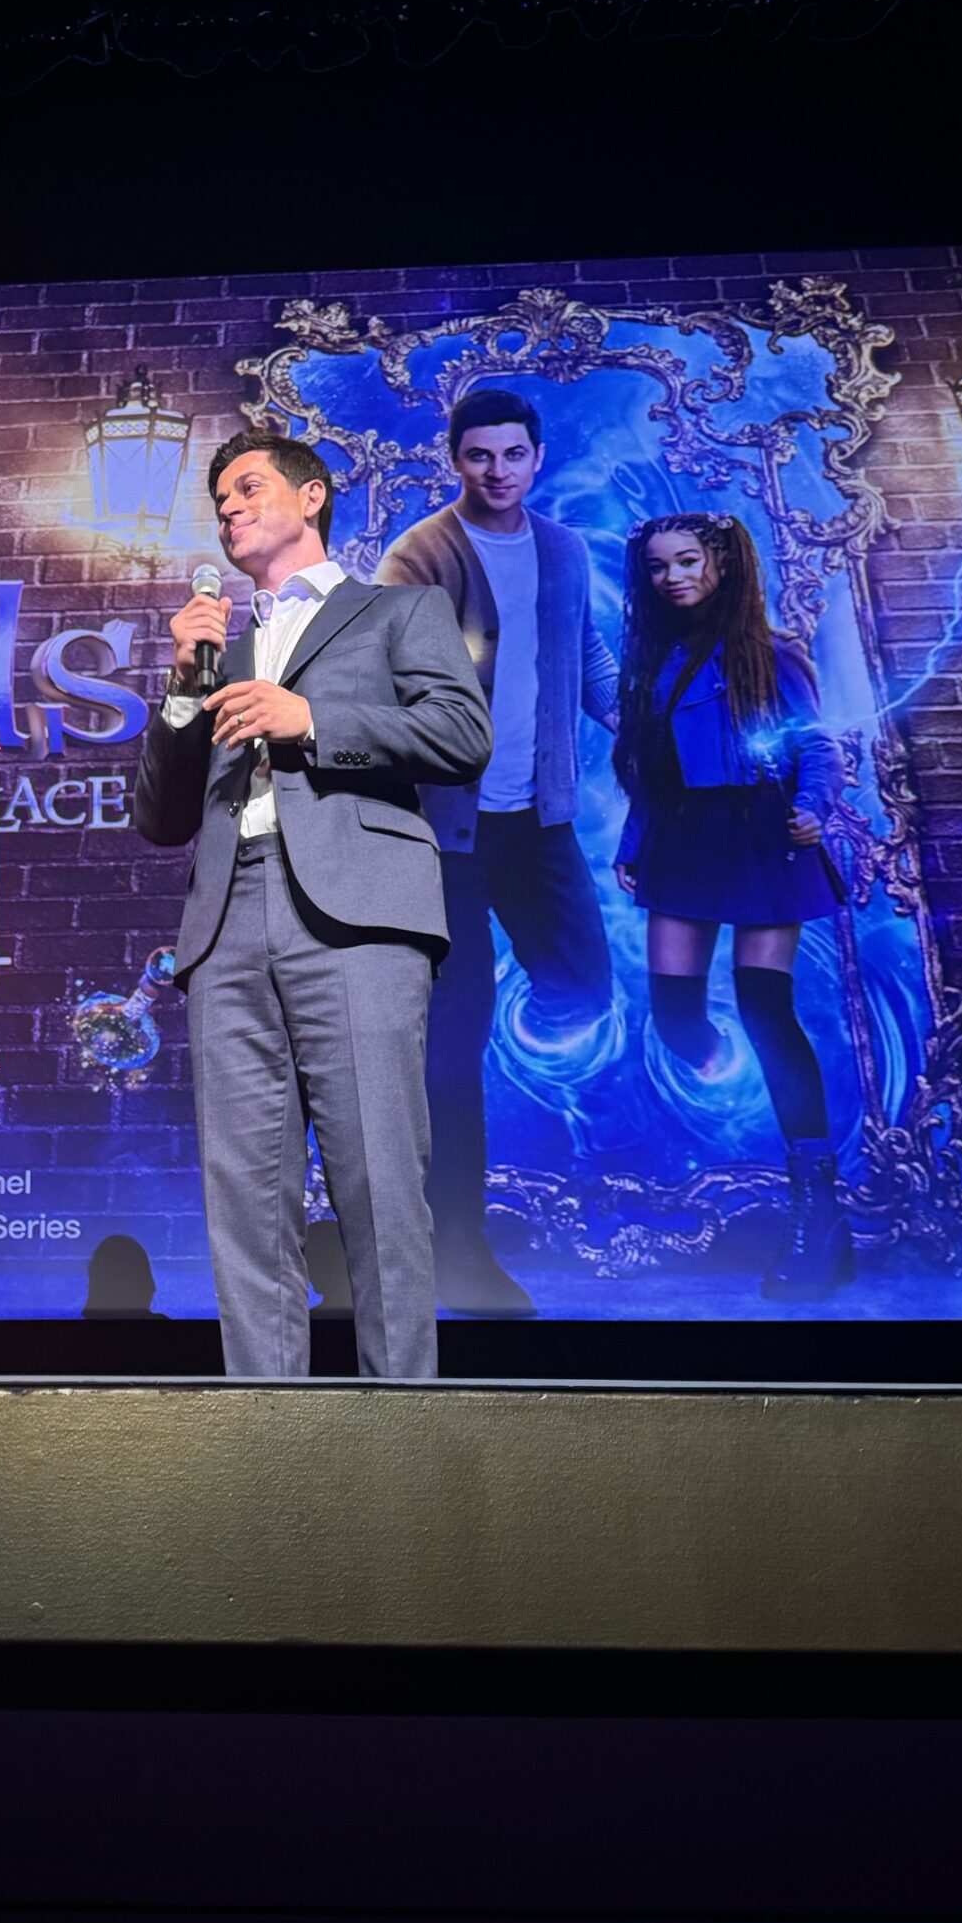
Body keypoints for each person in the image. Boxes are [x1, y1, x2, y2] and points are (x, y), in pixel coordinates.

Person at [132, 431, 491, 1379]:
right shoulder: (220, 646)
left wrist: (316, 721)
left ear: (313, 496)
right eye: (219, 502)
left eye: (247, 488)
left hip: (359, 912)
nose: (229, 509)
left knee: (378, 1176)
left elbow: (462, 735)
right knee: (245, 1193)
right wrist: (180, 689)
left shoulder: (397, 611)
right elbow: (161, 817)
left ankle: (401, 1430)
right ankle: (272, 1433)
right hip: (226, 920)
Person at [376, 385, 618, 1317]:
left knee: (587, 982)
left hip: (540, 820)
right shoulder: (422, 554)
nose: (497, 471)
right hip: (450, 833)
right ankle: (458, 1245)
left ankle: (505, 1049)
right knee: (453, 1041)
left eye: (513, 454)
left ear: (537, 456)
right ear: (456, 460)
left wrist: (643, 738)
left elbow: (587, 657)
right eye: (479, 456)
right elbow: (386, 680)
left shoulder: (563, 548)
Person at [613, 511, 852, 1298]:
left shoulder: (772, 654)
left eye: (688, 561)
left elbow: (817, 744)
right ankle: (729, 1081)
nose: (674, 576)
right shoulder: (652, 662)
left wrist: (814, 808)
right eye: (658, 566)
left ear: (722, 564)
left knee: (766, 1010)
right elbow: (650, 773)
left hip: (759, 833)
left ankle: (819, 1220)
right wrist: (632, 841)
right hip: (682, 838)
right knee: (676, 1017)